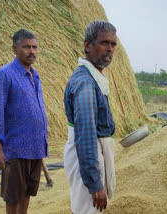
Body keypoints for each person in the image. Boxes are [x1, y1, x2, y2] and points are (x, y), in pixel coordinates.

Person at [0, 29, 48, 214]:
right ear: (15, 49)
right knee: (13, 195)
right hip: (15, 148)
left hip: (35, 147)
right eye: (26, 47)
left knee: (27, 192)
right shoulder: (5, 75)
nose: (32, 51)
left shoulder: (34, 75)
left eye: (35, 47)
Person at [64, 20, 117, 214]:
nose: (109, 49)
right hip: (89, 155)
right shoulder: (85, 83)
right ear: (87, 45)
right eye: (104, 43)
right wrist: (94, 183)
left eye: (113, 44)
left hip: (93, 154)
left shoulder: (93, 77)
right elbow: (86, 136)